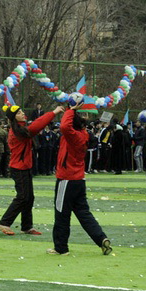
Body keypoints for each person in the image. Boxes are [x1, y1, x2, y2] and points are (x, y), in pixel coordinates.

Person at [49, 100, 113, 256]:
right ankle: (101, 238)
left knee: (61, 213)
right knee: (84, 213)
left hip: (66, 179)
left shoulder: (73, 136)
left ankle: (60, 247)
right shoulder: (84, 134)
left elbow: (64, 126)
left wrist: (71, 110)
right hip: (79, 179)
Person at [0, 104, 63, 236]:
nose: (23, 113)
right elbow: (37, 125)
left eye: (22, 111)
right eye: (19, 112)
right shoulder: (19, 132)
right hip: (18, 168)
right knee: (22, 197)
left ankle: (26, 226)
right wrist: (53, 112)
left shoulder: (21, 129)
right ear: (14, 118)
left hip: (24, 167)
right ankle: (4, 222)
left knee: (29, 197)